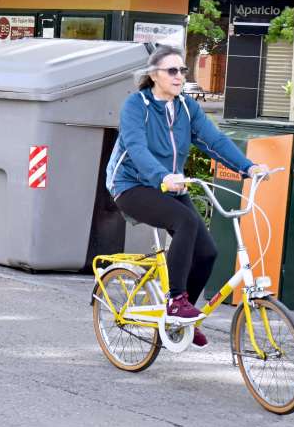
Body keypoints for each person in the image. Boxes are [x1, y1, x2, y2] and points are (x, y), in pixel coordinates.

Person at [106, 44, 267, 349]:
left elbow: (214, 140)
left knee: (208, 253)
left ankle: (183, 318)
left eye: (182, 70)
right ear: (154, 75)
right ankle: (175, 301)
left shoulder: (186, 108)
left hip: (170, 184)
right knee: (185, 222)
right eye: (172, 70)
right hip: (131, 184)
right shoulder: (136, 105)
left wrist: (249, 167)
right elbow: (137, 149)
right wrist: (162, 176)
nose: (179, 75)